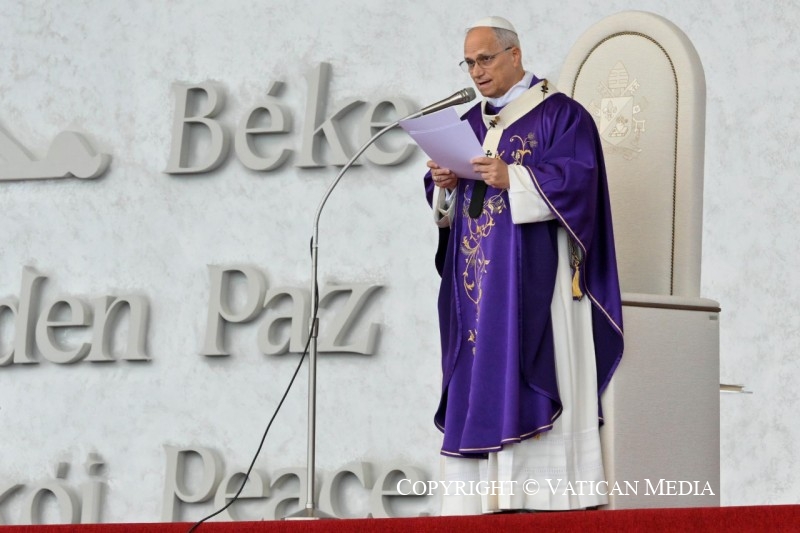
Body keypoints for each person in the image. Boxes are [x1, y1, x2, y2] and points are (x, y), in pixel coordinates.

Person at [423, 16, 624, 514]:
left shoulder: (562, 115)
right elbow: (448, 207)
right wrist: (444, 185)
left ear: (515, 55)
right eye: (469, 63)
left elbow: (580, 182)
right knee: (477, 370)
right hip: (477, 286)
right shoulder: (469, 123)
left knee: (530, 362)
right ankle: (477, 502)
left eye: (485, 59)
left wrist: (515, 178)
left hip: (536, 282)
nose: (477, 71)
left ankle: (539, 494)